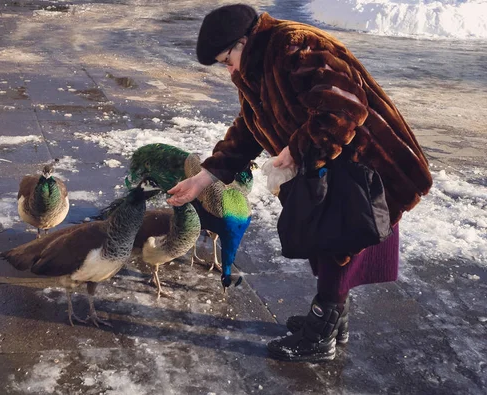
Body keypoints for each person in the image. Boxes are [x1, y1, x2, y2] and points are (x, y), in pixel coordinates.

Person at [166, 4, 432, 362]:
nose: (227, 68)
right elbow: (250, 125)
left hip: (365, 162)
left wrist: (297, 148)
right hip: (330, 162)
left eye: (226, 58)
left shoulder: (296, 48)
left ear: (243, 41)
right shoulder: (255, 67)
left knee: (339, 237)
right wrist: (205, 177)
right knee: (327, 237)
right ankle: (334, 321)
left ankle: (321, 334)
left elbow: (345, 109)